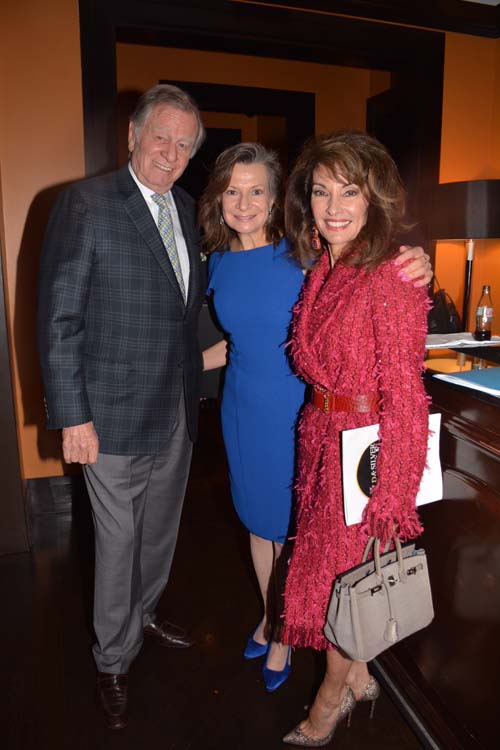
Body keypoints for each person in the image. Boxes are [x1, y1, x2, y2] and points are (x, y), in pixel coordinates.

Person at [199, 142, 432, 693]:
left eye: (258, 189)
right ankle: (272, 615)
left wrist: (418, 260)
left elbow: (371, 269)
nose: (245, 202)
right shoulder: (218, 263)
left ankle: (289, 633)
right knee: (259, 523)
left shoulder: (303, 253)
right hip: (245, 406)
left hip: (302, 409)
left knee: (299, 533)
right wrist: (172, 369)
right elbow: (228, 343)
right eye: (233, 190)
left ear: (279, 198)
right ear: (218, 199)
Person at [37, 84, 206, 730]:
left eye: (184, 145)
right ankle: (113, 657)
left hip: (175, 416)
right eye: (160, 136)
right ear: (132, 135)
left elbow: (185, 311)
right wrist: (72, 415)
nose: (170, 152)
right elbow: (60, 319)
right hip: (107, 416)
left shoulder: (189, 209)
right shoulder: (88, 204)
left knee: (159, 532)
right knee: (117, 539)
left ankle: (145, 613)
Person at [280, 130, 430, 747]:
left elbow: (406, 396)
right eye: (321, 191)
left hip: (364, 454)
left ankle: (327, 702)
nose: (334, 205)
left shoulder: (388, 276)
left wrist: (391, 495)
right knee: (337, 575)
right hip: (324, 441)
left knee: (342, 578)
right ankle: (361, 673)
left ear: (375, 198)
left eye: (350, 190)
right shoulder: (326, 266)